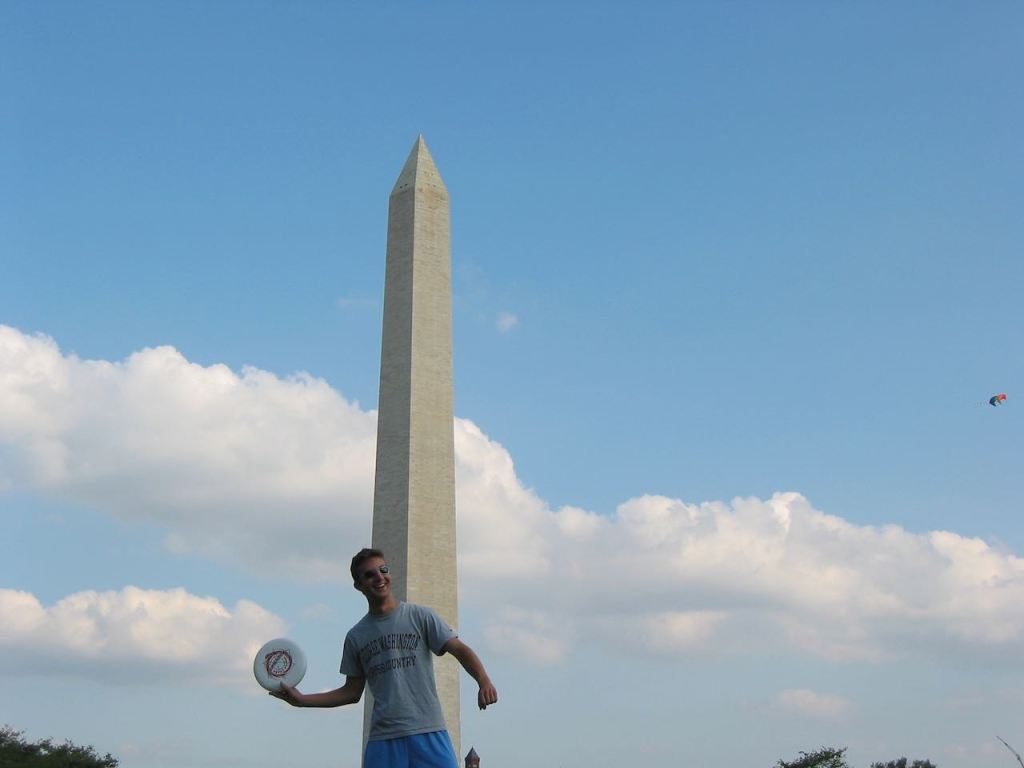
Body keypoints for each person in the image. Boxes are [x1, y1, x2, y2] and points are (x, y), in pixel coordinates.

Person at [272, 547, 498, 768]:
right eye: (370, 574)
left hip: (429, 731)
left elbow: (459, 649)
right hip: (383, 740)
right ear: (358, 585)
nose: (379, 577)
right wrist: (302, 700)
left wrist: (484, 681)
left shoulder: (420, 616)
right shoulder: (356, 636)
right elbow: (351, 692)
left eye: (383, 570)